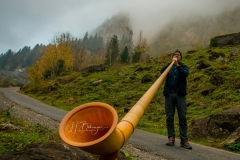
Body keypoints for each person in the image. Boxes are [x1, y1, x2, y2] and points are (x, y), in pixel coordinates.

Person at [160, 50, 192, 150]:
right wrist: (170, 63)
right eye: (175, 55)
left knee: (182, 117)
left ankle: (184, 140)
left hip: (180, 95)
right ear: (172, 57)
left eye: (178, 55)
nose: (176, 56)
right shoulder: (169, 66)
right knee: (169, 116)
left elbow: (185, 74)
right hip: (169, 94)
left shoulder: (183, 67)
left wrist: (178, 65)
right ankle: (171, 138)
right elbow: (162, 72)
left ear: (181, 57)